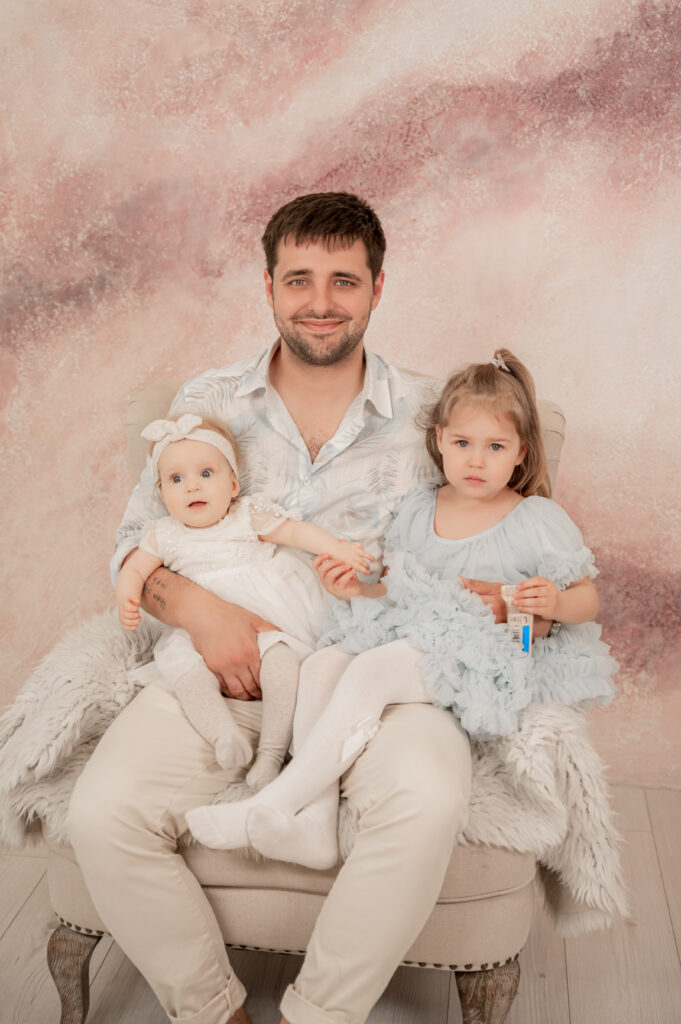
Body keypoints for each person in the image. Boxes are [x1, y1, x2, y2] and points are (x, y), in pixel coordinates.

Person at [67, 192, 552, 1024]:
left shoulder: (435, 414)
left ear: (377, 287)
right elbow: (132, 549)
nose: (319, 303)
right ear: (267, 287)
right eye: (298, 280)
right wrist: (201, 612)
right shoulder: (209, 400)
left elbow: (508, 541)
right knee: (101, 813)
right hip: (223, 675)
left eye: (343, 281)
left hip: (379, 679)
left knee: (427, 800)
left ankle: (318, 1014)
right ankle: (213, 1011)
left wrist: (502, 601)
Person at [185, 349, 616, 867]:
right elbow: (394, 594)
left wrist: (556, 601)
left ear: (521, 452)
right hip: (413, 634)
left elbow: (587, 599)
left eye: (496, 447)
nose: (476, 461)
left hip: (484, 654)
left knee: (372, 670)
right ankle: (317, 823)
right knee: (320, 666)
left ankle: (273, 802)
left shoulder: (536, 518)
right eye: (463, 443)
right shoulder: (419, 509)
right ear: (439, 440)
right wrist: (353, 591)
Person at [115, 412, 372, 789]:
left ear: (233, 484)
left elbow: (295, 533)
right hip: (196, 630)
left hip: (261, 615)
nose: (192, 487)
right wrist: (127, 596)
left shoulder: (245, 516)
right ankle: (223, 735)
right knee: (187, 673)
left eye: (206, 474)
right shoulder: (163, 534)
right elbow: (134, 570)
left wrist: (337, 548)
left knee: (282, 661)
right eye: (176, 479)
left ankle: (271, 753)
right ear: (162, 494)